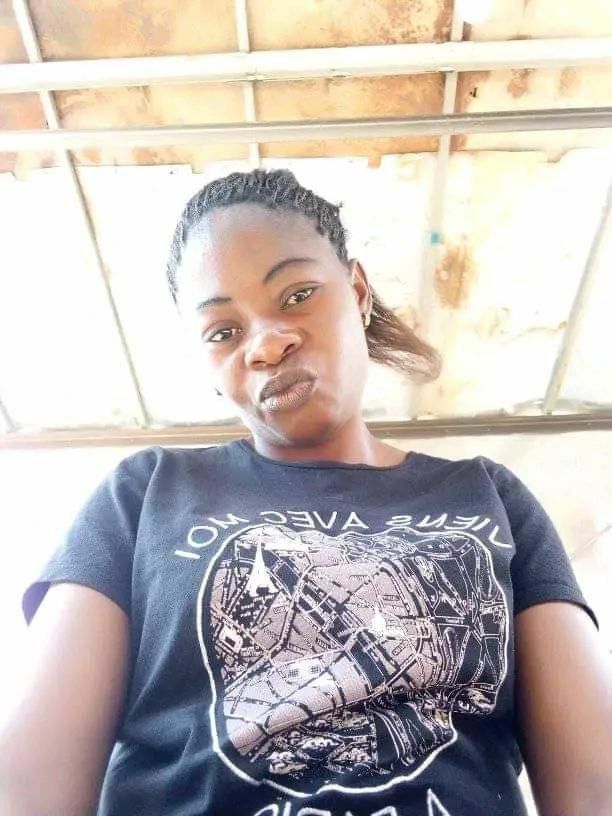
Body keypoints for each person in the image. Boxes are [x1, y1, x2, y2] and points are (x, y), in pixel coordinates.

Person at [1, 169, 610, 816]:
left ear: (358, 291)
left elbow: (596, 782)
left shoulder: (489, 497)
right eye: (222, 332)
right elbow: (30, 782)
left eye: (296, 295)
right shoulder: (145, 494)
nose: (266, 344)